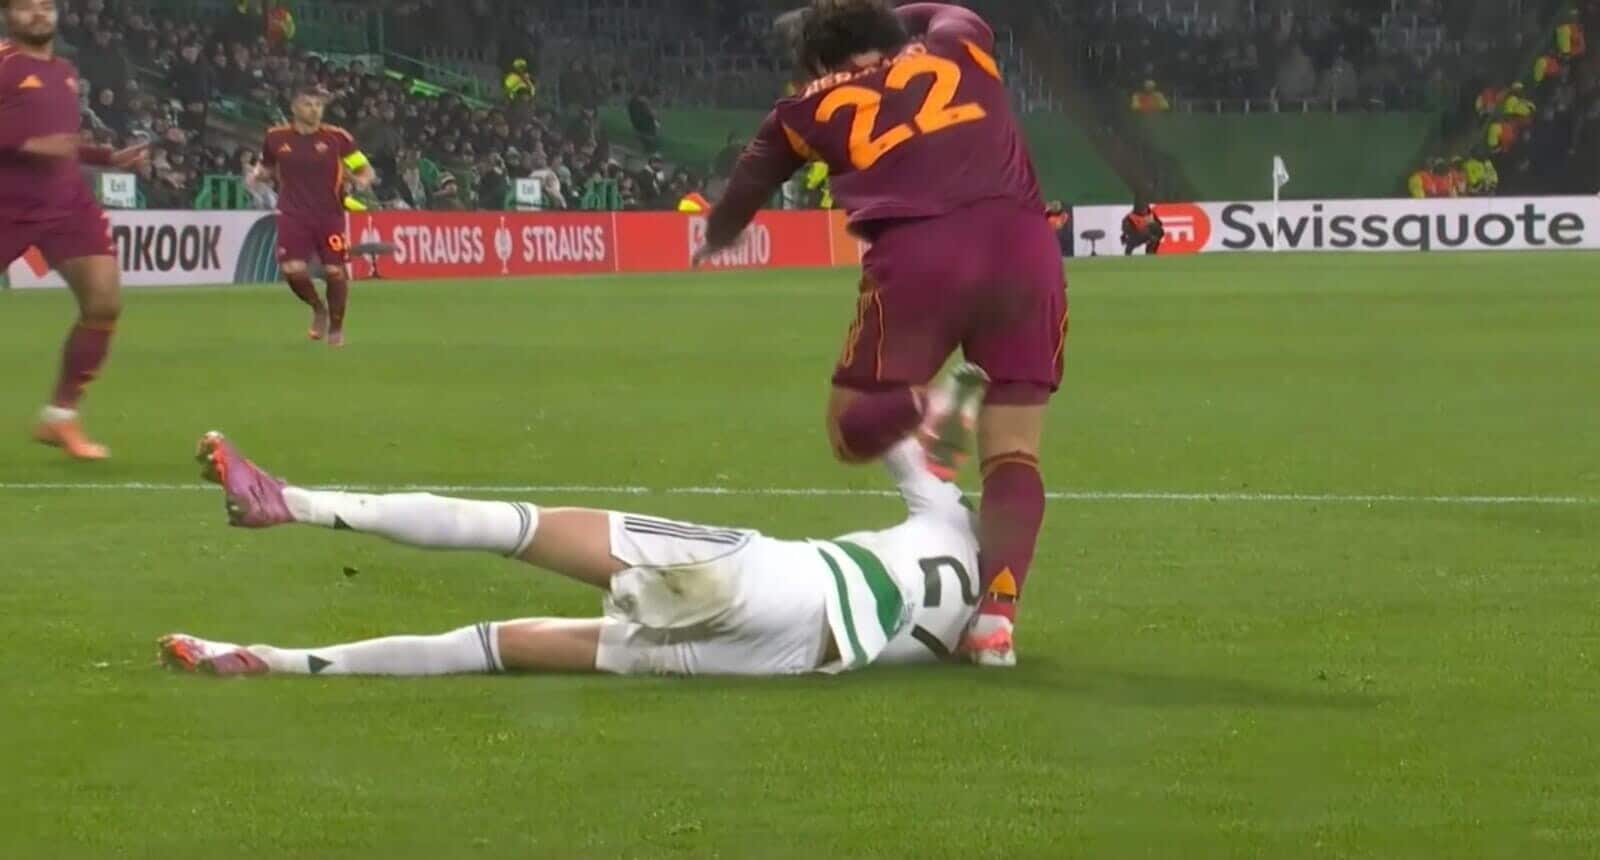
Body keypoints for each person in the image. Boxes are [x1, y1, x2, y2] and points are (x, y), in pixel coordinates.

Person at [693, 2, 1067, 667]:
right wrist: (892, 17)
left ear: (816, 62)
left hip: (920, 256)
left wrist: (716, 238)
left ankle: (930, 404)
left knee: (850, 430)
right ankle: (996, 622)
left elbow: (746, 189)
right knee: (1014, 452)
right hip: (1023, 247)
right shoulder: (957, 45)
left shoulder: (803, 109)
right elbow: (950, 10)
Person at [161, 402, 985, 677]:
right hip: (785, 660)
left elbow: (886, 425)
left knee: (511, 528)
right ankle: (273, 662)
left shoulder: (947, 514)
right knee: (494, 648)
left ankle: (291, 503)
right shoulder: (979, 620)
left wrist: (954, 381)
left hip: (777, 578)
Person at [1, 0, 149, 460]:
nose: (38, 14)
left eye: (45, 6)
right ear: (7, 14)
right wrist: (24, 144)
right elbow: (36, 141)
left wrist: (106, 157)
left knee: (103, 302)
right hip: (7, 203)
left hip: (66, 203)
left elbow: (61, 144)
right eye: (26, 7)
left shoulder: (64, 71)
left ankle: (60, 416)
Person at [249, 87, 374, 347]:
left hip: (330, 214)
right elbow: (267, 165)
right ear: (294, 108)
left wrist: (362, 179)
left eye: (318, 105)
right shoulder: (276, 137)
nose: (314, 109)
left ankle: (336, 328)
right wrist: (257, 174)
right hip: (293, 213)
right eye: (308, 104)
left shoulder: (337, 138)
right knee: (292, 269)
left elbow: (364, 167)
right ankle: (318, 308)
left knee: (334, 271)